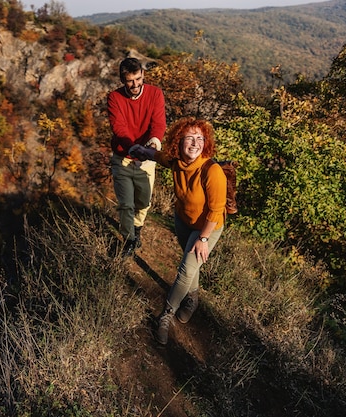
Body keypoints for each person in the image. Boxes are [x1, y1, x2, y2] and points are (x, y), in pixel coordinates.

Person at [130, 117, 227, 345]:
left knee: (185, 269)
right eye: (190, 138)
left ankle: (167, 314)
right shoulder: (178, 162)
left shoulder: (211, 171)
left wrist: (203, 238)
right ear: (179, 141)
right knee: (189, 262)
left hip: (208, 227)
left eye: (200, 138)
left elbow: (216, 209)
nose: (195, 143)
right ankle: (192, 297)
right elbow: (162, 157)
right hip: (183, 220)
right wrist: (143, 151)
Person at [107, 57, 166, 257]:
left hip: (146, 159)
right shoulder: (114, 98)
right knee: (126, 204)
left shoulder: (155, 94)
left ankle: (137, 228)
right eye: (130, 81)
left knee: (144, 202)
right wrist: (132, 148)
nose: (135, 85)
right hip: (123, 157)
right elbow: (119, 128)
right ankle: (129, 239)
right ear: (123, 79)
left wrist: (153, 143)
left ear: (143, 75)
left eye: (138, 79)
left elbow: (158, 123)